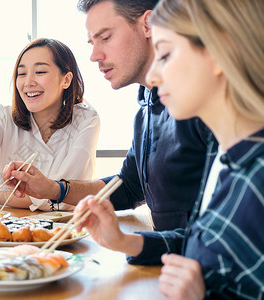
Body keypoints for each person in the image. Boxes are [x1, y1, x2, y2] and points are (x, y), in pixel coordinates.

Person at [75, 0, 264, 298]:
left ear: (218, 51)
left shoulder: (254, 174)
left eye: (166, 54)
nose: (152, 77)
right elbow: (201, 243)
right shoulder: (226, 160)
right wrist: (126, 241)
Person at [3, 0, 212, 231]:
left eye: (105, 38)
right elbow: (129, 188)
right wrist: (55, 189)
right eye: (92, 42)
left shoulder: (201, 103)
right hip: (171, 258)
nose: (93, 55)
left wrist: (135, 244)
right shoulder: (146, 113)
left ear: (149, 25)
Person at [0, 38, 100, 211]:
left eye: (40, 72)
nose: (28, 82)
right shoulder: (2, 118)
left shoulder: (86, 121)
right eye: (21, 74)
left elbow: (65, 198)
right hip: (6, 225)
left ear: (66, 79)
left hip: (62, 230)